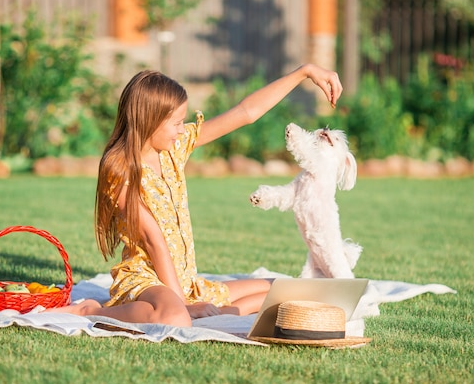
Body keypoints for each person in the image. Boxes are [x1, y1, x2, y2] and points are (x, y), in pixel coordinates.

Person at [48, 64, 343, 327]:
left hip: (186, 282)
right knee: (176, 318)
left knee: (287, 289)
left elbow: (245, 113)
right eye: (176, 122)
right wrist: (185, 306)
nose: (181, 130)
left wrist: (304, 72)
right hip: (145, 281)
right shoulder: (120, 167)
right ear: (149, 120)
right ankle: (89, 311)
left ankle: (217, 311)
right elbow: (153, 239)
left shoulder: (173, 150)